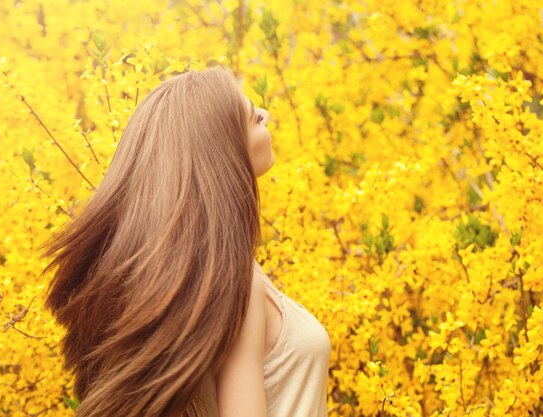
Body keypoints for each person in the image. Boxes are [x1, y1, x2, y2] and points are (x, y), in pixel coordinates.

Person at [38, 66, 331, 417]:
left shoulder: (196, 276)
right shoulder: (236, 281)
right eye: (253, 118)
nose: (265, 114)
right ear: (221, 151)